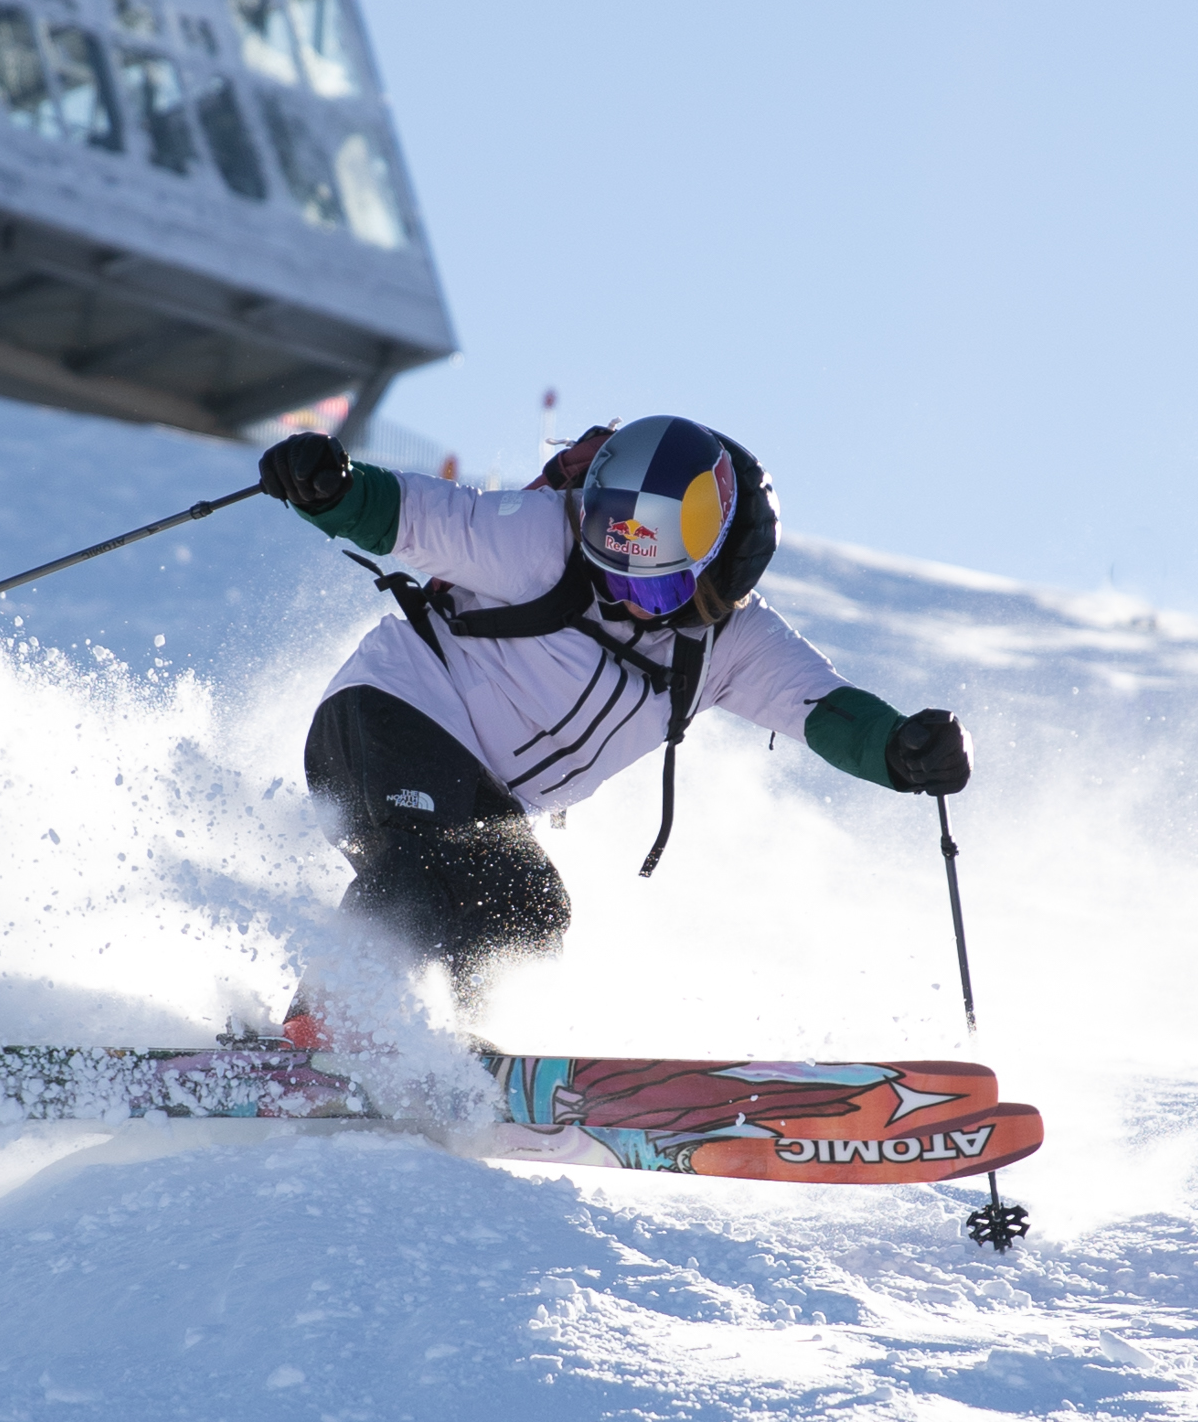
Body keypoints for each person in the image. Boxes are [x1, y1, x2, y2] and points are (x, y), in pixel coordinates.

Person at [258, 415, 971, 1038]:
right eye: (613, 576)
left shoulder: (734, 645)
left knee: (528, 915)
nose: (627, 601)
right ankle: (318, 1028)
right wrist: (330, 487)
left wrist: (900, 752)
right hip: (391, 713)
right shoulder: (542, 537)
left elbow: (821, 708)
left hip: (480, 792)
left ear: (715, 570)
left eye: (654, 586)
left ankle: (444, 1055)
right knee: (426, 866)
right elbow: (412, 516)